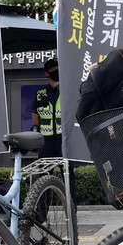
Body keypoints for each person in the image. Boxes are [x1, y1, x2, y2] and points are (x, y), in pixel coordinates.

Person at [30, 58, 77, 200]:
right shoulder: (40, 94)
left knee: (68, 176)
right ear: (46, 73)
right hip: (46, 142)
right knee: (43, 178)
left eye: (59, 69)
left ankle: (71, 210)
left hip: (64, 140)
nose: (58, 72)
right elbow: (35, 118)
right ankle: (41, 214)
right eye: (54, 70)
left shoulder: (68, 92)